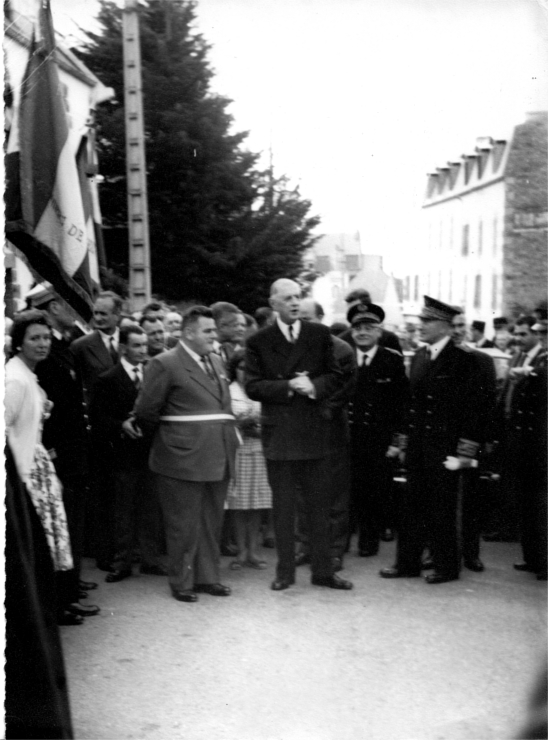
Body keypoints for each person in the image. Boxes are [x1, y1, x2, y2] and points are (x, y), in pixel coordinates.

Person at [245, 278, 353, 591]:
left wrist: (315, 386)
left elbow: (337, 376)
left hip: (313, 433)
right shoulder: (259, 341)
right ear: (274, 303)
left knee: (319, 507)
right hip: (280, 436)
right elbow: (253, 386)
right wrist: (289, 386)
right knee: (284, 508)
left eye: (298, 297)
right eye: (288, 298)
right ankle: (285, 573)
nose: (295, 303)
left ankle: (323, 572)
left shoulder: (318, 334)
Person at [134, 306, 240, 603]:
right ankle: (182, 581)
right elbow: (146, 411)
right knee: (183, 523)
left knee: (210, 521)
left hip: (218, 454)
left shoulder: (217, 361)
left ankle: (208, 578)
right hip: (181, 458)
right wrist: (175, 440)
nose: (213, 336)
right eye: (208, 331)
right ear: (189, 333)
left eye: (213, 331)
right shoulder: (164, 363)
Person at [380, 296, 482, 584]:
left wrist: (464, 453)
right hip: (418, 448)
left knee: (442, 510)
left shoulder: (464, 360)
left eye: (427, 321)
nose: (420, 326)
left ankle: (447, 567)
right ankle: (407, 563)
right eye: (421, 320)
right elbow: (410, 405)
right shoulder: (422, 357)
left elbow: (473, 411)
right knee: (411, 508)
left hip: (445, 450)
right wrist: (402, 443)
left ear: (446, 327)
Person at [5, 310, 96, 625]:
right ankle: (47, 612)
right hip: (25, 471)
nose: (42, 344)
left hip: (37, 465)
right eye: (34, 338)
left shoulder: (29, 373)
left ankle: (56, 607)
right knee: (41, 545)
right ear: (19, 343)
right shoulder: (14, 378)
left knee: (51, 543)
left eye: (45, 338)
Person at [28, 284, 98, 615]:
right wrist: (53, 450)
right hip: (60, 453)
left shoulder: (62, 346)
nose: (77, 310)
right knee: (63, 522)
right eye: (70, 303)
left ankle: (72, 582)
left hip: (74, 449)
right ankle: (64, 594)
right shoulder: (46, 351)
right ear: (53, 307)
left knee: (74, 519)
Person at [90, 325, 167, 583]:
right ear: (123, 348)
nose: (143, 350)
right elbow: (98, 418)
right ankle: (121, 562)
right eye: (137, 345)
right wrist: (120, 425)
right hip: (123, 455)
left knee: (151, 508)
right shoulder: (107, 378)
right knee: (124, 510)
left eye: (144, 345)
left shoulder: (153, 374)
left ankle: (150, 559)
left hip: (152, 452)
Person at [295, 298, 356, 572]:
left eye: (308, 317)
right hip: (300, 434)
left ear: (321, 318)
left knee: (334, 496)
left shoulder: (341, 350)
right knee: (303, 494)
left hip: (329, 432)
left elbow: (342, 391)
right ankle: (307, 546)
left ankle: (333, 551)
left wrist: (315, 410)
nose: (302, 323)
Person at [346, 302, 409, 558]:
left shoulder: (391, 360)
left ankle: (368, 543)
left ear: (378, 332)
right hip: (348, 438)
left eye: (368, 327)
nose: (362, 332)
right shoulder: (344, 357)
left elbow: (403, 405)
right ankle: (342, 542)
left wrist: (397, 442)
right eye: (358, 327)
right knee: (348, 492)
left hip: (379, 441)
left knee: (375, 492)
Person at [71, 290, 123, 571]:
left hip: (128, 429)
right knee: (102, 494)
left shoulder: (129, 340)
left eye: (105, 313)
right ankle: (104, 553)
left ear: (118, 314)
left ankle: (126, 549)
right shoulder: (80, 346)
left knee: (124, 492)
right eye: (96, 312)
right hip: (99, 430)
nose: (98, 317)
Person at [493, 315, 546, 577]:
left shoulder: (541, 361)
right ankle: (531, 556)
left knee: (539, 503)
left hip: (536, 442)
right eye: (518, 334)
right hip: (515, 435)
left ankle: (542, 560)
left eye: (525, 334)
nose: (519, 338)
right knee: (523, 499)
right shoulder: (517, 357)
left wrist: (529, 371)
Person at [451, 310, 497, 572]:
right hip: (443, 440)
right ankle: (439, 552)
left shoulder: (481, 360)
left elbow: (488, 404)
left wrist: (487, 440)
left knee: (470, 500)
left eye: (461, 326)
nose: (457, 331)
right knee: (441, 501)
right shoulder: (438, 359)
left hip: (471, 441)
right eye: (453, 326)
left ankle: (471, 553)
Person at [226, 349, 272, 570]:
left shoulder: (261, 390)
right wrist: (241, 425)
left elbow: (272, 419)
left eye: (250, 368)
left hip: (259, 451)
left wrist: (260, 428)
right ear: (235, 369)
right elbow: (225, 421)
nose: (246, 373)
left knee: (256, 504)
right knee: (238, 505)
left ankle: (253, 551)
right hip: (238, 451)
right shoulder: (228, 391)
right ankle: (241, 552)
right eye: (242, 368)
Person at [342, 289, 402, 353]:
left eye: (354, 309)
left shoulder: (390, 338)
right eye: (350, 310)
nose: (352, 313)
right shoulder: (343, 340)